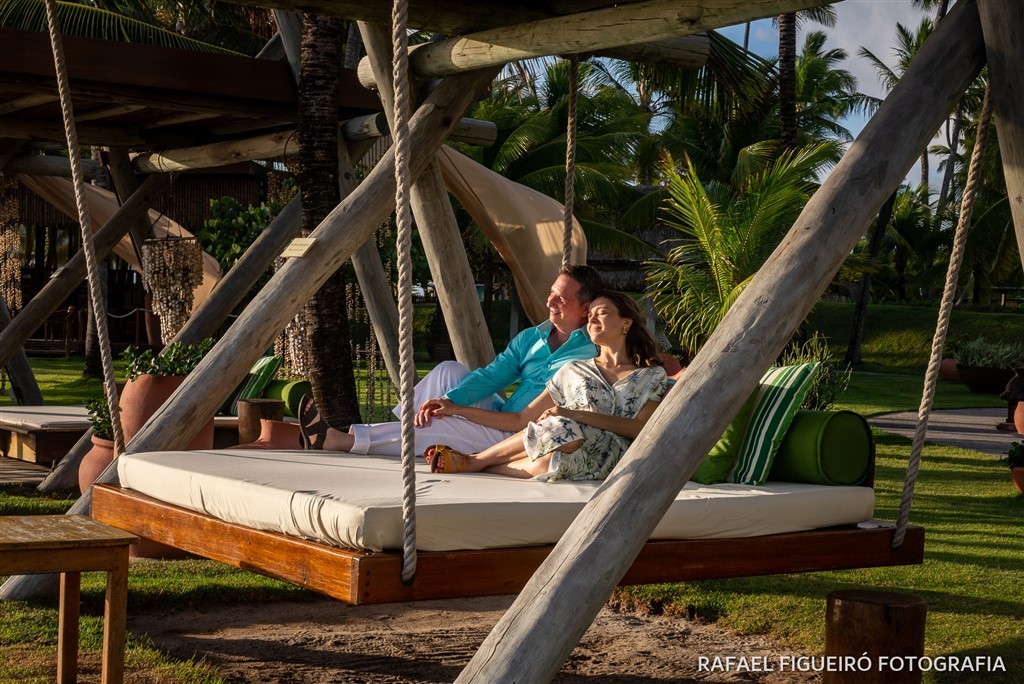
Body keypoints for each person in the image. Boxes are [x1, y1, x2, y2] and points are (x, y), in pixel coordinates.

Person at [298, 264, 604, 455]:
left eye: (562, 298)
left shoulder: (595, 349)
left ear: (586, 308)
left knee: (443, 425)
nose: (550, 302)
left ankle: (341, 440)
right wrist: (446, 400)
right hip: (504, 413)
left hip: (521, 432)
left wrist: (454, 410)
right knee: (448, 371)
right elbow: (491, 376)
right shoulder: (531, 338)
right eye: (552, 293)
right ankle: (406, 430)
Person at [426, 290, 668, 481]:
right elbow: (522, 419)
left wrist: (575, 415)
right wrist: (456, 408)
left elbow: (640, 428)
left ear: (626, 323)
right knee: (549, 462)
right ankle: (479, 464)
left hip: (617, 457)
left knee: (563, 424)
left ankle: (475, 461)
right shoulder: (573, 370)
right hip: (575, 453)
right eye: (590, 314)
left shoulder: (650, 376)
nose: (592, 318)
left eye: (602, 313)